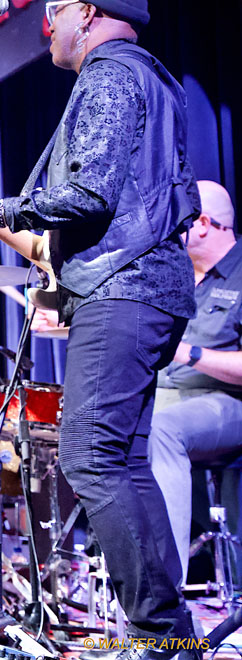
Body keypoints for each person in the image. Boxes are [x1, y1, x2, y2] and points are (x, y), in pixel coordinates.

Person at [0, 1, 203, 660]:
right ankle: (169, 639)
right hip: (143, 287)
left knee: (89, 458)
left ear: (87, 11)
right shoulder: (154, 78)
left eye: (52, 9)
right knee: (123, 464)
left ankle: (162, 635)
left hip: (126, 288)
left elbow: (88, 194)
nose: (44, 24)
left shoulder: (109, 74)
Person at [149, 181, 242, 586]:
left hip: (225, 401)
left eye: (177, 220)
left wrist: (189, 352)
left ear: (203, 223)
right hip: (168, 393)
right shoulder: (175, 272)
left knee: (162, 428)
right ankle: (99, 583)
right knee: (93, 424)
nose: (167, 229)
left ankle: (166, 594)